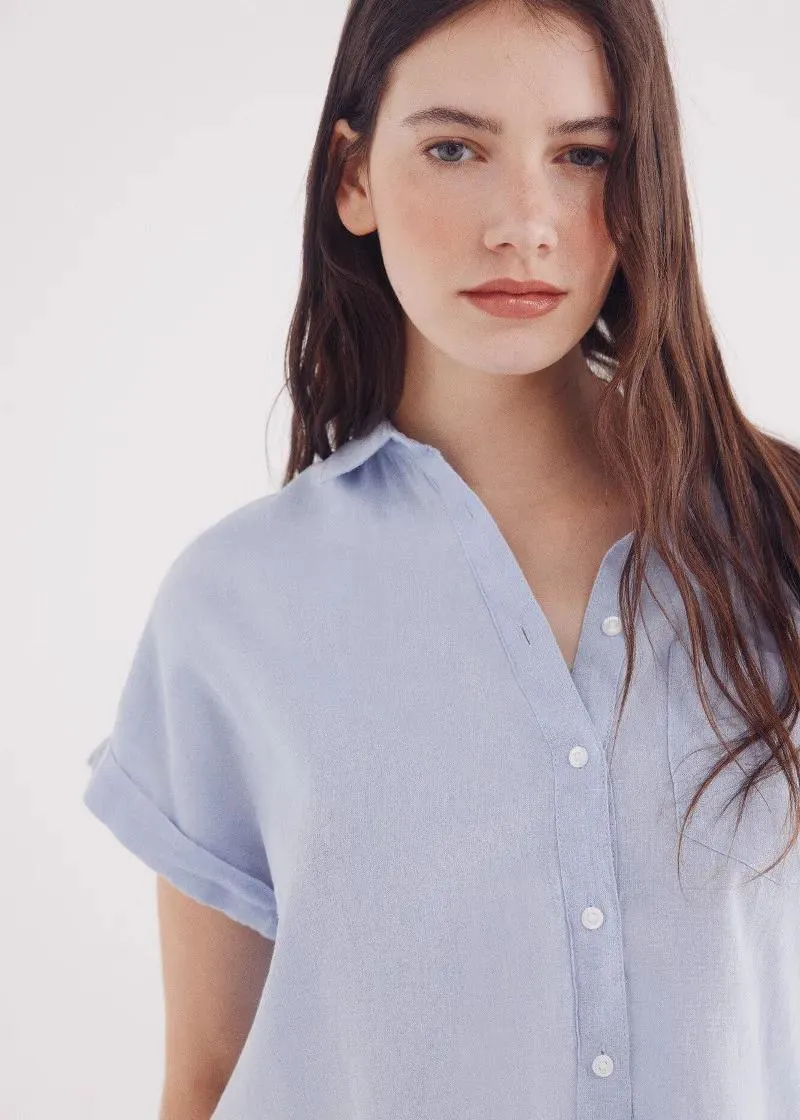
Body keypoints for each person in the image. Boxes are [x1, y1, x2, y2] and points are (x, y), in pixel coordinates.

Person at [82, 1, 800, 1118]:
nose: (523, 225)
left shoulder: (778, 541)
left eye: (583, 155)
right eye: (456, 149)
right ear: (353, 177)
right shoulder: (236, 603)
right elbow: (207, 1078)